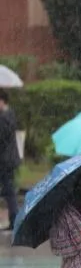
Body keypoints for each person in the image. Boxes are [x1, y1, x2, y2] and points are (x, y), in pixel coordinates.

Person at [0, 89, 20, 230]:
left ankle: (14, 219)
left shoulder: (4, 118)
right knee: (9, 191)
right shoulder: (9, 115)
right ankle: (14, 219)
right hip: (8, 160)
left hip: (5, 161)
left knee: (9, 191)